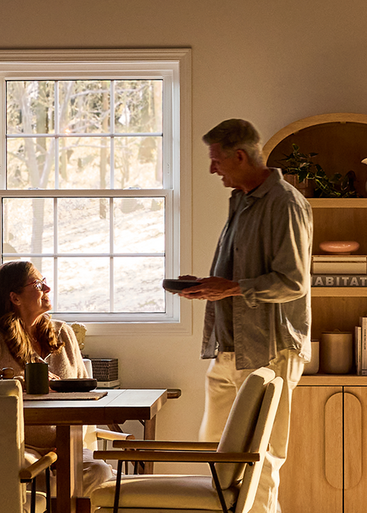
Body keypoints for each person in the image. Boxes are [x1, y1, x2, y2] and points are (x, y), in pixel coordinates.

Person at [176, 118, 311, 513]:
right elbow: (243, 274)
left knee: (262, 457)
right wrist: (208, 284)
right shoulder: (242, 200)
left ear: (239, 156)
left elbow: (293, 282)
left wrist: (231, 288)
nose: (212, 169)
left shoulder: (285, 204)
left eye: (216, 159)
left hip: (271, 350)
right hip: (229, 346)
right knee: (216, 449)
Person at [0, 260, 113, 497]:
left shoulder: (63, 333)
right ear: (15, 298)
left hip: (67, 444)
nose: (47, 289)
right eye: (38, 284)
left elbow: (84, 394)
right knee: (32, 473)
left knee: (99, 471)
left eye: (44, 282)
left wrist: (71, 440)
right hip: (19, 446)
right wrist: (19, 382)